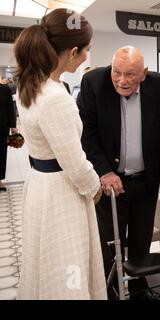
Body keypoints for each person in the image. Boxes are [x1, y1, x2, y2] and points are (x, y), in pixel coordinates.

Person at [78, 46, 160, 300]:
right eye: (117, 72)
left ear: (143, 74)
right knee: (109, 244)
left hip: (144, 182)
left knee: (140, 242)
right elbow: (86, 134)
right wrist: (104, 171)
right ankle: (111, 291)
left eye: (130, 74)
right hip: (109, 184)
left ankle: (138, 290)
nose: (122, 80)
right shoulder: (93, 83)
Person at [14, 8, 106, 299]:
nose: (87, 57)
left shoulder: (32, 85)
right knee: (68, 262)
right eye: (87, 51)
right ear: (74, 51)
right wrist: (94, 187)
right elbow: (74, 160)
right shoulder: (56, 97)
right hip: (61, 194)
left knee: (47, 260)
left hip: (40, 186)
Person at [0, 83, 17, 191]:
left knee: (1, 153)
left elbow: (11, 108)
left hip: (2, 126)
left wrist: (13, 126)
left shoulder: (4, 89)